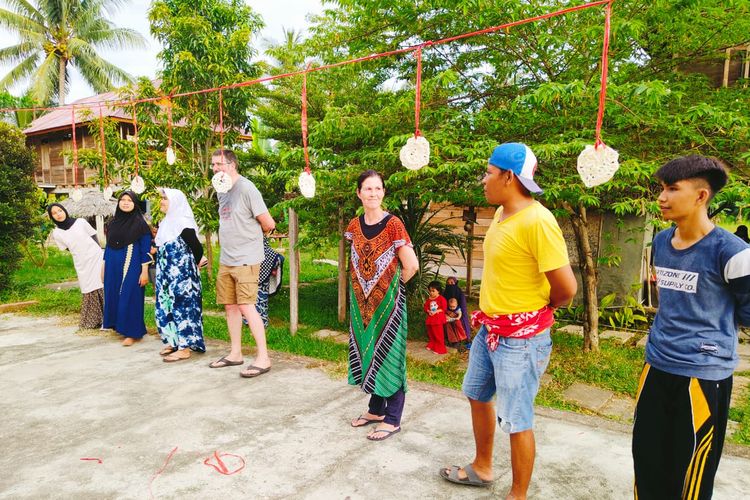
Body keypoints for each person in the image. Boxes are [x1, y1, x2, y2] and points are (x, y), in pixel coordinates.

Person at [440, 142, 576, 496]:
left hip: (522, 339)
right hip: (491, 330)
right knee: (476, 393)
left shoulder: (538, 222)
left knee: (517, 418)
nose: (483, 179)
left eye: (488, 172)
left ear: (509, 176)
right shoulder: (502, 214)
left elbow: (566, 289)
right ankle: (483, 468)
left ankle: (518, 495)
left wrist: (536, 312)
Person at [632, 155, 750, 500]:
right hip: (656, 366)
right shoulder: (661, 245)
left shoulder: (732, 253)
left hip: (703, 375)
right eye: (661, 188)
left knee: (691, 470)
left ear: (701, 196)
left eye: (672, 189)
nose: (662, 197)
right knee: (648, 458)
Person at [346, 170, 419, 441]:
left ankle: (393, 418)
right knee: (369, 354)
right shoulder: (354, 226)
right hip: (361, 305)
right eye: (368, 189)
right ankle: (376, 410)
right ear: (359, 193)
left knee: (390, 355)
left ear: (383, 192)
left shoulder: (393, 225)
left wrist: (390, 289)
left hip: (388, 304)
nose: (373, 193)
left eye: (378, 189)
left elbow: (411, 265)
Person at [209, 149, 276, 378]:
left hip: (246, 258)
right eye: (213, 165)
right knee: (230, 306)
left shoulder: (247, 188)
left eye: (220, 164)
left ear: (233, 165)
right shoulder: (221, 189)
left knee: (247, 305)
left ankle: (263, 357)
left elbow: (268, 223)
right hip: (226, 258)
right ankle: (235, 353)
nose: (216, 168)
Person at [154, 188, 207, 362]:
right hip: (166, 276)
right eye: (161, 198)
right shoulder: (166, 222)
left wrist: (190, 269)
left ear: (175, 202)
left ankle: (185, 347)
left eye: (165, 199)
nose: (162, 201)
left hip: (182, 277)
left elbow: (197, 248)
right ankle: (174, 341)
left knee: (182, 307)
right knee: (166, 307)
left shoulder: (182, 222)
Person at [102, 191, 152, 346]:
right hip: (112, 263)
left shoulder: (140, 224)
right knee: (114, 293)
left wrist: (144, 272)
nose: (125, 203)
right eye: (122, 200)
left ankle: (133, 332)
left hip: (132, 262)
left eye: (129, 200)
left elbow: (145, 249)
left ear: (135, 204)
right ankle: (120, 327)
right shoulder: (112, 222)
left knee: (130, 295)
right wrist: (103, 267)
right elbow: (108, 246)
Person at [47, 203, 104, 329]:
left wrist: (98, 251)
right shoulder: (57, 233)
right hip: (81, 262)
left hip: (96, 257)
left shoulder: (80, 222)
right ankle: (93, 320)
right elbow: (67, 247)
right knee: (88, 287)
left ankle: (108, 318)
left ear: (65, 210)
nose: (58, 214)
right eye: (54, 213)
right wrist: (79, 252)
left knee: (101, 283)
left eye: (60, 210)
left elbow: (93, 235)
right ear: (52, 217)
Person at [443, 276, 471, 344]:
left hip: (458, 314)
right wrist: (447, 314)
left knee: (458, 322)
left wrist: (458, 316)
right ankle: (453, 340)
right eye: (448, 283)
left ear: (455, 283)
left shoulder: (460, 294)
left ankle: (463, 337)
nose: (450, 285)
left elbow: (463, 310)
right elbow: (442, 306)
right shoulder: (444, 293)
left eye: (452, 283)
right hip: (447, 315)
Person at [424, 280, 448, 354]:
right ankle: (433, 343)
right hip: (431, 318)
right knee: (431, 332)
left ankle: (441, 347)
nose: (431, 292)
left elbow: (444, 308)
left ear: (438, 291)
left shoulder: (441, 299)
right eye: (430, 291)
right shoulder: (429, 299)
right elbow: (425, 307)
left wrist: (436, 311)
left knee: (438, 333)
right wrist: (428, 311)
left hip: (438, 319)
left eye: (433, 291)